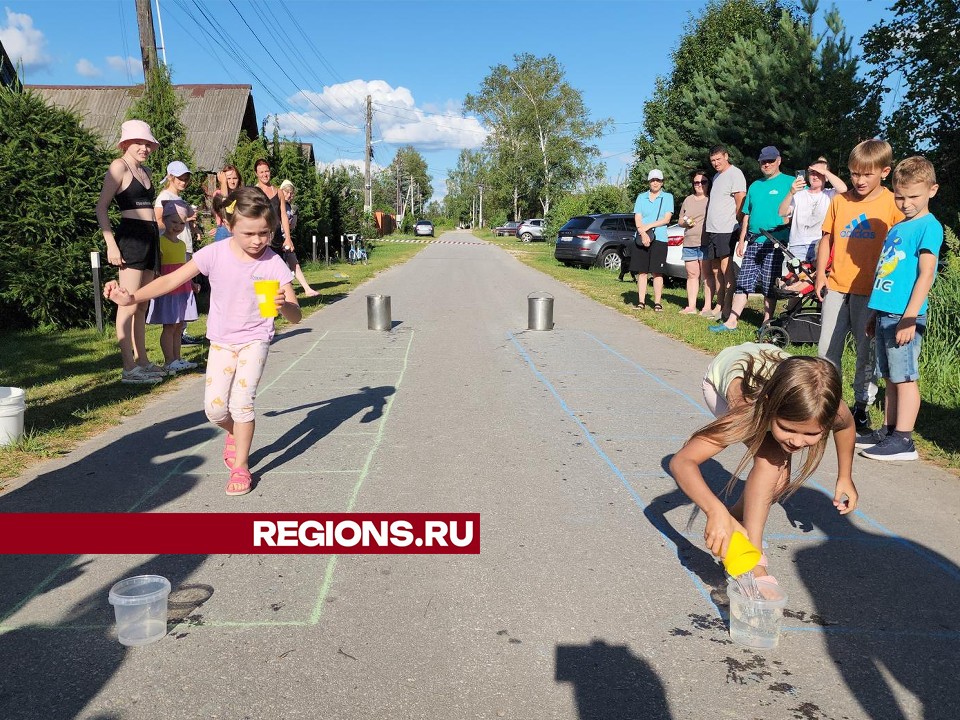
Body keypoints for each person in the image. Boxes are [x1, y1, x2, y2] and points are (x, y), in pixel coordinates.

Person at [104, 187, 302, 496]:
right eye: (249, 233)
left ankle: (241, 466)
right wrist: (132, 296)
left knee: (241, 403)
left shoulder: (272, 262)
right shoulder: (214, 253)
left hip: (255, 339)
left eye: (264, 233)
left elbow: (295, 317)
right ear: (229, 225)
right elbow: (171, 280)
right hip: (222, 341)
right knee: (214, 410)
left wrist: (283, 306)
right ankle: (235, 434)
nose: (257, 240)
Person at [670, 351, 858, 581]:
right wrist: (713, 510)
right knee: (772, 461)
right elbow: (681, 461)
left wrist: (845, 477)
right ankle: (753, 556)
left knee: (778, 484)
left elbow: (846, 427)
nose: (797, 442)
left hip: (768, 370)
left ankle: (735, 523)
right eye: (787, 429)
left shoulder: (829, 406)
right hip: (722, 381)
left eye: (811, 433)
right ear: (770, 408)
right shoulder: (746, 411)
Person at [815, 139, 903, 437]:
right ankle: (827, 405)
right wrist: (819, 274)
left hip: (871, 291)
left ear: (884, 171)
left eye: (866, 174)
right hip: (837, 286)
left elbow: (899, 250)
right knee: (827, 349)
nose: (859, 180)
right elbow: (826, 238)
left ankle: (861, 407)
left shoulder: (891, 204)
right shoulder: (840, 201)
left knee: (866, 353)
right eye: (854, 174)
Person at [858, 156, 943, 461]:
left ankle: (904, 440)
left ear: (932, 190)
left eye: (913, 197)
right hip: (885, 312)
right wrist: (874, 313)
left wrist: (909, 316)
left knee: (905, 376)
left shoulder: (929, 227)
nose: (905, 203)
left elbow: (926, 273)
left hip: (905, 316)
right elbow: (887, 272)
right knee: (890, 375)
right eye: (900, 196)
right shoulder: (898, 227)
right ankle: (890, 429)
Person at [95, 119, 165, 385]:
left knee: (141, 302)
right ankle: (128, 369)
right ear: (126, 143)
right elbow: (101, 208)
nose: (144, 147)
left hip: (150, 239)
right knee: (128, 303)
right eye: (139, 142)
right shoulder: (118, 166)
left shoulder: (145, 170)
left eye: (148, 143)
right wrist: (111, 244)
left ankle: (142, 361)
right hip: (131, 240)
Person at [710, 146, 793, 333]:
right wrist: (741, 241)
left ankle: (767, 322)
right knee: (744, 281)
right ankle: (731, 321)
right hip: (754, 241)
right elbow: (746, 214)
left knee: (768, 283)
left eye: (770, 161)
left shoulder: (790, 182)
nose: (767, 164)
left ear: (779, 160)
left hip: (776, 242)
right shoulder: (755, 186)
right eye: (763, 161)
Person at [146, 200, 200, 374]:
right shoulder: (160, 242)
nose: (177, 226)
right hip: (168, 289)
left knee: (179, 325)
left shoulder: (182, 244)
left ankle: (177, 359)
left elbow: (185, 268)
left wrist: (191, 283)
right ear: (165, 221)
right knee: (169, 325)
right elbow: (157, 268)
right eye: (174, 222)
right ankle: (169, 360)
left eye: (181, 223)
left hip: (182, 288)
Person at [154, 160, 203, 346]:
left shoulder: (181, 199)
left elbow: (185, 221)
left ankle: (181, 332)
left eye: (186, 178)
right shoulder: (164, 197)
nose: (184, 181)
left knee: (184, 294)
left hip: (183, 246)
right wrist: (180, 223)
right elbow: (158, 221)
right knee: (175, 295)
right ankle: (176, 337)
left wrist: (192, 225)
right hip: (171, 249)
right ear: (171, 177)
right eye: (180, 178)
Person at [703, 145, 747, 319]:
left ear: (726, 156)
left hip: (726, 229)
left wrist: (738, 223)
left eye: (718, 159)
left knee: (725, 268)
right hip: (713, 229)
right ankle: (719, 305)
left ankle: (728, 309)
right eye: (712, 160)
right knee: (715, 270)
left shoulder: (735, 174)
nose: (715, 163)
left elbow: (740, 201)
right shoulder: (717, 175)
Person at [778, 157, 847, 263]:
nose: (815, 176)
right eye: (812, 173)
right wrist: (791, 192)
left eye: (819, 173)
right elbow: (782, 213)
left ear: (827, 176)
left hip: (820, 245)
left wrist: (825, 171)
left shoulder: (830, 194)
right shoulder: (798, 194)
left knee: (816, 277)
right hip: (797, 245)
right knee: (794, 278)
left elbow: (843, 189)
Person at [630, 169, 674, 311]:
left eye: (658, 180)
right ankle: (641, 302)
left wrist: (648, 226)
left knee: (657, 271)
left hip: (660, 238)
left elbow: (666, 219)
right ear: (649, 181)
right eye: (652, 180)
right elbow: (638, 217)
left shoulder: (667, 197)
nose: (655, 182)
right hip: (642, 237)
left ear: (662, 182)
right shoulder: (641, 197)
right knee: (642, 271)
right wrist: (642, 232)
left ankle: (657, 302)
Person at [278, 179, 320, 296]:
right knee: (281, 266)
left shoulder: (290, 208)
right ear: (281, 192)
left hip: (285, 239)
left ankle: (306, 289)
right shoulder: (278, 205)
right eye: (286, 192)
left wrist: (294, 217)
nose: (289, 195)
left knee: (294, 263)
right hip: (277, 239)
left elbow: (291, 227)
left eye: (291, 193)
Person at [677, 170, 710, 314]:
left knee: (707, 276)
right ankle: (691, 306)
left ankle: (707, 307)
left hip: (706, 242)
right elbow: (680, 220)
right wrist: (686, 223)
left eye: (703, 182)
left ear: (708, 184)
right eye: (696, 182)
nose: (699, 185)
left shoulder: (711, 199)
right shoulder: (688, 200)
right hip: (689, 242)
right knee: (692, 275)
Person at [210, 164, 242, 242]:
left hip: (239, 230)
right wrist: (223, 182)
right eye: (228, 179)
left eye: (235, 178)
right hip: (224, 230)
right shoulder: (217, 194)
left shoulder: (242, 195)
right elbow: (225, 207)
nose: (232, 181)